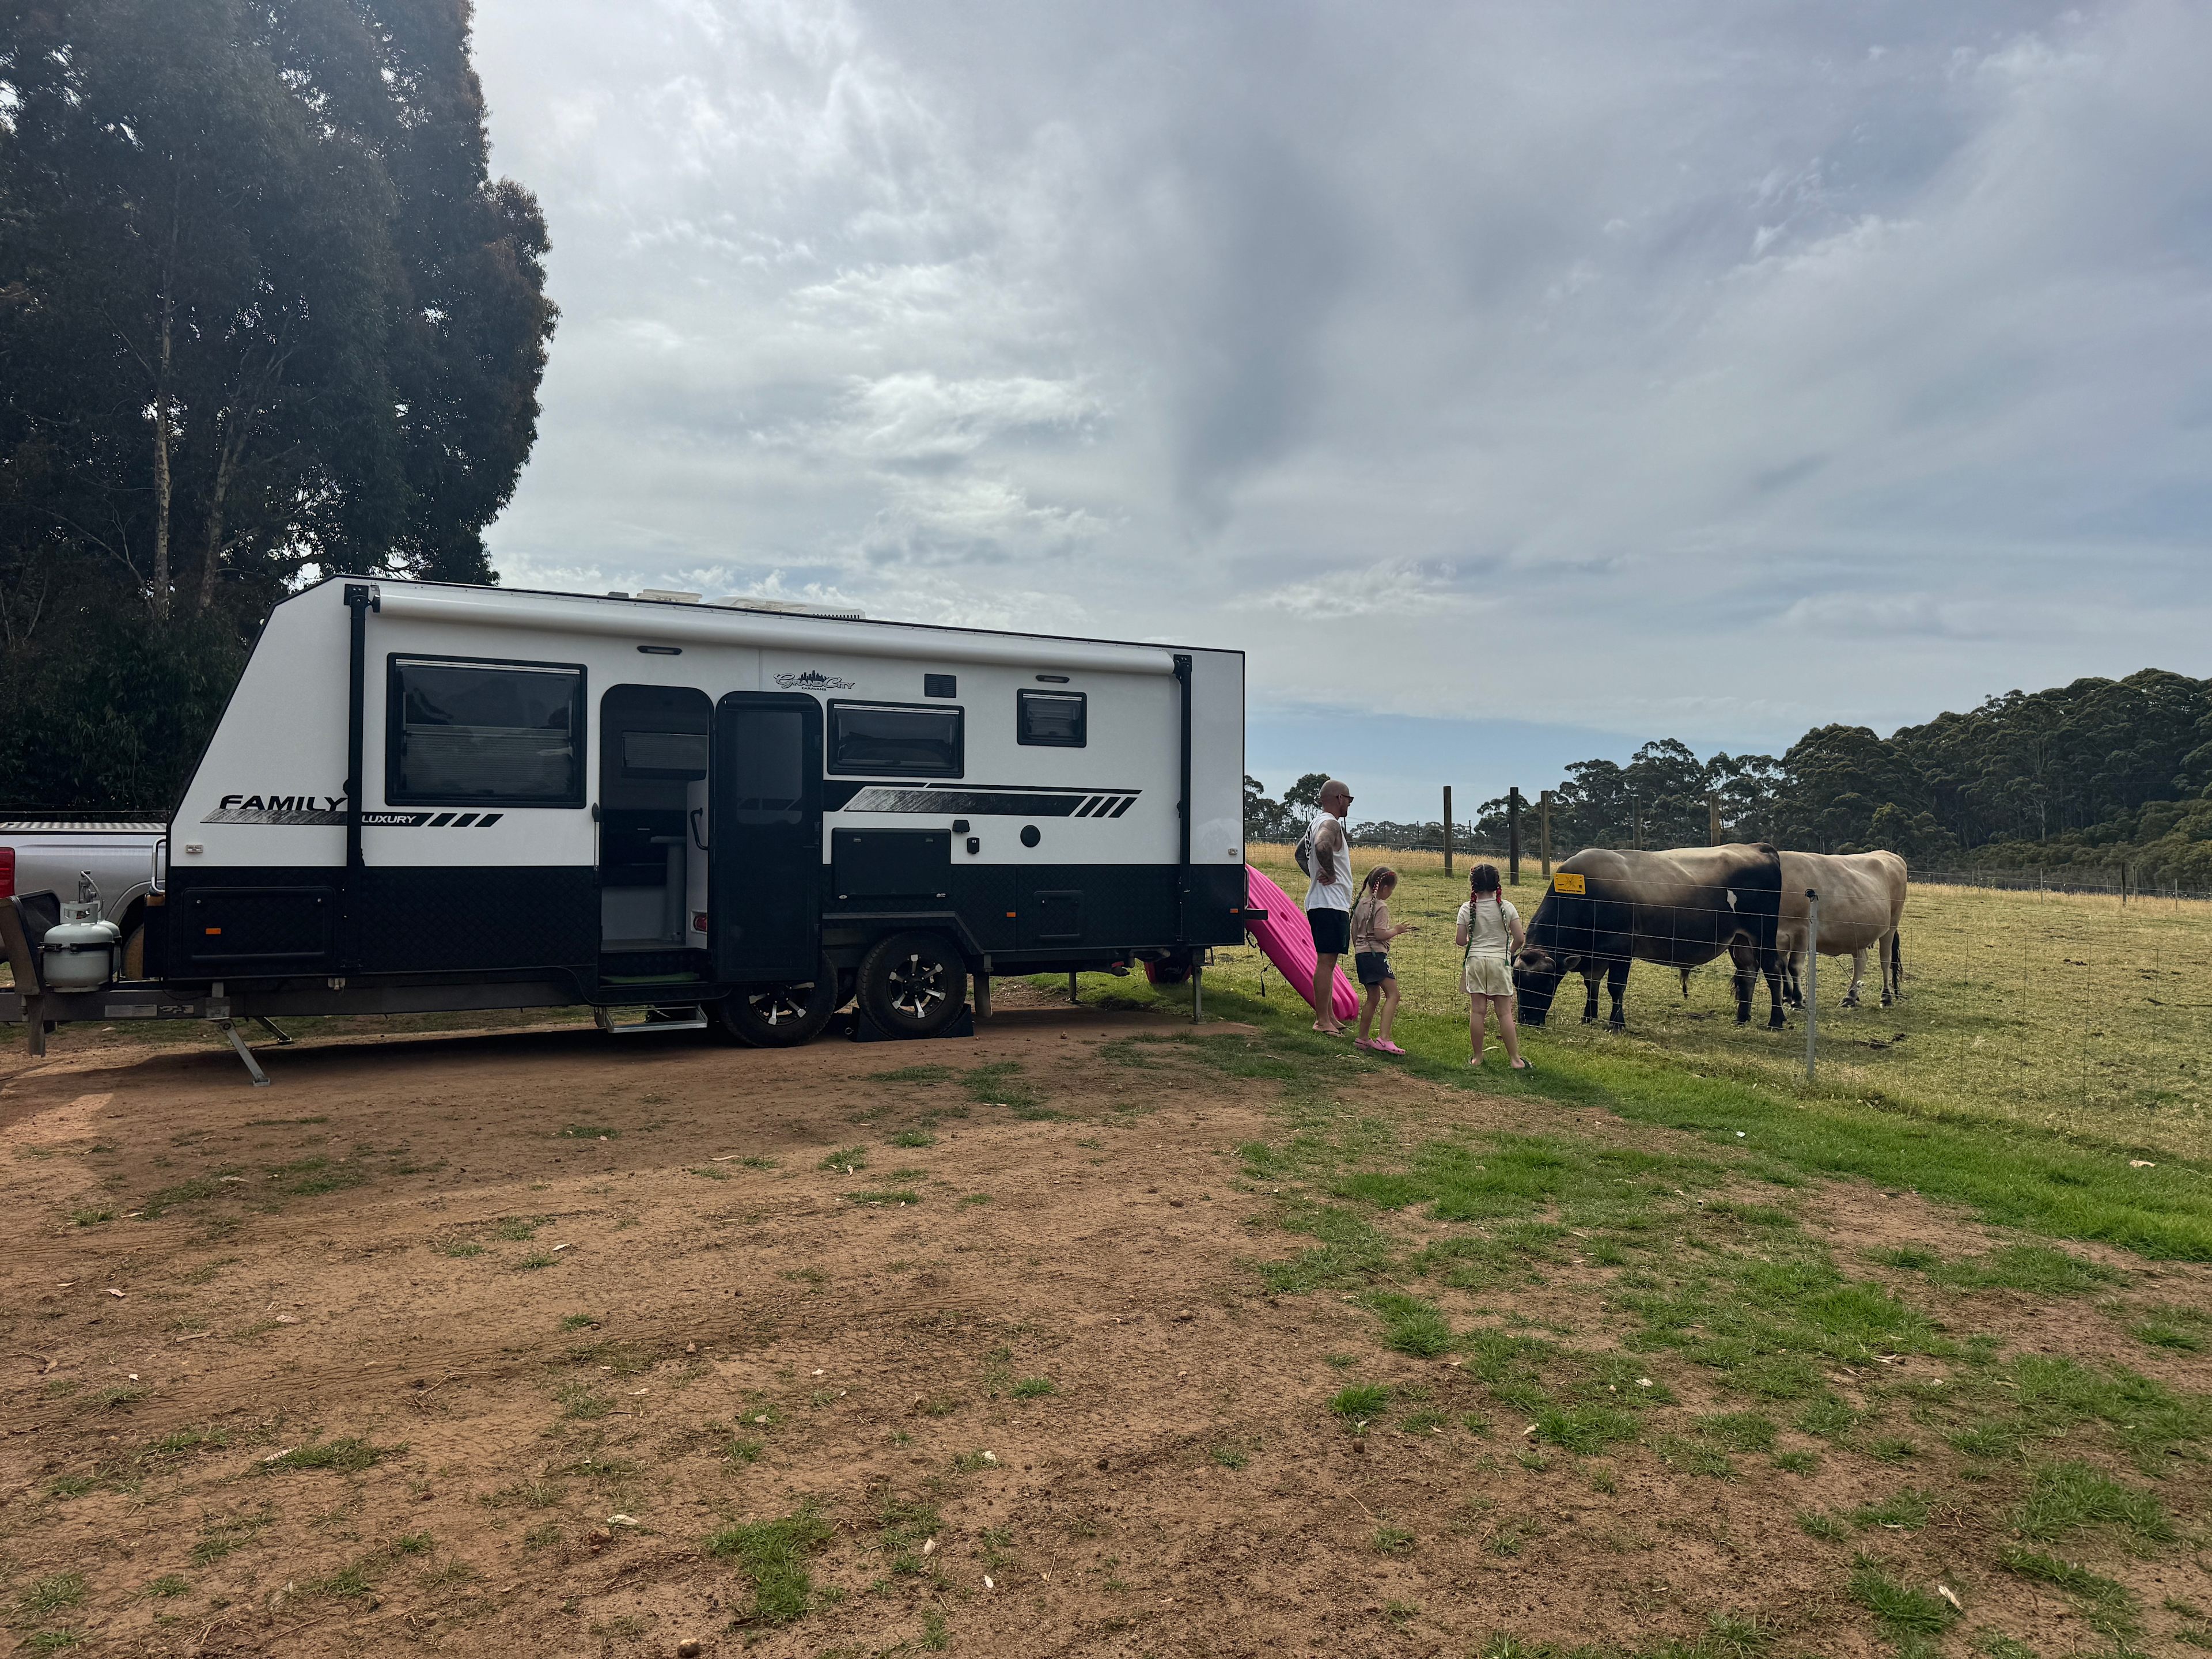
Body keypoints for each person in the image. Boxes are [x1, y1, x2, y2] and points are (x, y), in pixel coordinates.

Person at [1456, 862, 1530, 1070]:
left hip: (1476, 962)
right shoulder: (1506, 907)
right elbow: (1519, 937)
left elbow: (1461, 940)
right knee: (1504, 1013)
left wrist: (1473, 936)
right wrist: (1508, 951)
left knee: (1478, 1012)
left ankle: (1478, 1058)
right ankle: (1515, 1060)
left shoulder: (1466, 908)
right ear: (1497, 883)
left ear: (1473, 884)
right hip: (1500, 961)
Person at [1303, 778, 1355, 1035]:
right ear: (1338, 798)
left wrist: (1315, 874)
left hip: (1323, 903)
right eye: (1349, 799)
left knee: (1330, 962)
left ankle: (1330, 1017)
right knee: (1325, 962)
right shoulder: (1330, 824)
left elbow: (1299, 854)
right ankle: (1321, 1021)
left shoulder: (1314, 823)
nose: (1349, 804)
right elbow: (1323, 844)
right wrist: (1330, 874)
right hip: (1330, 904)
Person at [1351, 865, 1417, 1055]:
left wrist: (1360, 949)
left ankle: (1362, 1039)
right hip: (1376, 956)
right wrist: (1396, 931)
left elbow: (1354, 932)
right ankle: (1384, 1039)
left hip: (1362, 955)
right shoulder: (1381, 907)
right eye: (1392, 890)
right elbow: (1380, 934)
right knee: (1393, 995)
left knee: (1373, 997)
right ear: (1385, 888)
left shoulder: (1359, 905)